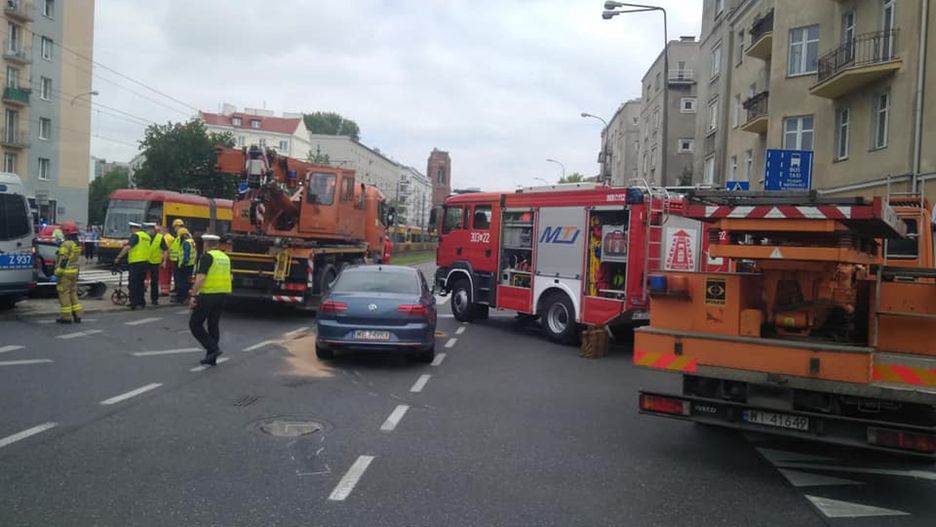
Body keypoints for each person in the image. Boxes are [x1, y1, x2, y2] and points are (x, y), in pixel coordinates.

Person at [189, 234, 231, 366]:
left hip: (208, 295)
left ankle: (213, 349)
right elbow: (231, 276)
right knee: (213, 324)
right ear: (217, 244)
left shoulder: (207, 257)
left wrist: (193, 295)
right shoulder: (225, 257)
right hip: (222, 295)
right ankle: (211, 358)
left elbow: (201, 278)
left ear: (206, 244)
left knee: (195, 324)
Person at [115, 221, 151, 310]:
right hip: (145, 262)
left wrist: (118, 257)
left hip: (135, 262)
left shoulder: (136, 235)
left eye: (131, 229)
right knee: (140, 283)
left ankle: (133, 303)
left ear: (134, 228)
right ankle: (141, 302)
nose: (130, 230)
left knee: (133, 283)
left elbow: (128, 247)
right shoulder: (146, 236)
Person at [54, 221, 82, 324]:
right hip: (74, 273)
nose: (61, 233)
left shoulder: (66, 244)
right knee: (73, 293)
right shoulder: (76, 243)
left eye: (62, 231)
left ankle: (66, 317)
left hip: (65, 274)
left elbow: (64, 260)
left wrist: (57, 273)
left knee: (64, 294)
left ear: (67, 231)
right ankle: (77, 315)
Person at [145, 222, 167, 306]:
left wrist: (164, 261)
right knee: (142, 280)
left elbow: (165, 250)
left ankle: (154, 299)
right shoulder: (145, 237)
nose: (149, 231)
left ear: (154, 229)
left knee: (154, 281)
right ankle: (140, 299)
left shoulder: (160, 238)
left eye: (151, 229)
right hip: (145, 261)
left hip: (155, 262)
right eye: (148, 229)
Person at [172, 228, 196, 303]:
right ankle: (186, 297)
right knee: (187, 282)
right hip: (190, 265)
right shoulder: (192, 241)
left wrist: (183, 263)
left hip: (185, 265)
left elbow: (186, 254)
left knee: (181, 282)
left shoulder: (186, 243)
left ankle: (180, 298)